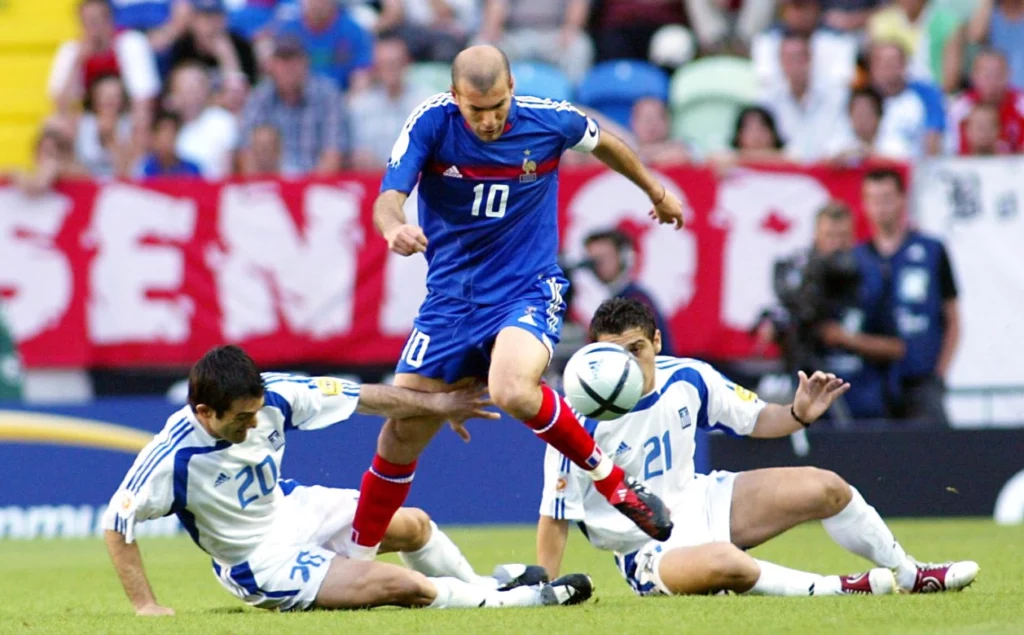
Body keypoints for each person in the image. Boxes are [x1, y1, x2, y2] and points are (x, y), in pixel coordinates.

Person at [347, 44, 686, 562]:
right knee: (399, 437)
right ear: (455, 96)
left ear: (511, 89)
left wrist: (654, 189)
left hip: (525, 288)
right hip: (451, 302)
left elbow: (605, 144)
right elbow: (389, 195)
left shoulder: (548, 120)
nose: (488, 120)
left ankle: (613, 484)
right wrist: (394, 228)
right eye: (475, 110)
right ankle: (357, 561)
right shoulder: (431, 123)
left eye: (498, 106)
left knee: (510, 388)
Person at [103, 345, 593, 615]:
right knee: (403, 585)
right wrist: (146, 606)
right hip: (259, 561)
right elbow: (117, 523)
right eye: (239, 419)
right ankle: (521, 602)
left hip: (292, 510)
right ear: (204, 411)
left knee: (415, 525)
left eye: (255, 413)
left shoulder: (276, 396)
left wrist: (438, 405)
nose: (253, 425)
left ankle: (484, 587)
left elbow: (367, 398)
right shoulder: (173, 456)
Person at [538, 298, 979, 597]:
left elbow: (755, 420)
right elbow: (555, 515)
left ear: (656, 342)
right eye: (614, 354)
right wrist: (548, 591)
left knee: (826, 487)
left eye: (637, 348)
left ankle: (911, 573)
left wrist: (797, 414)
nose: (628, 364)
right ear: (593, 355)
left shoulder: (689, 376)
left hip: (702, 499)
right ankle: (841, 588)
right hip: (645, 548)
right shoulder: (576, 420)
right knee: (725, 563)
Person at [858, 168, 960, 426]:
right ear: (864, 204)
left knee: (933, 454)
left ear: (903, 199)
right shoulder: (856, 259)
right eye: (874, 199)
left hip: (921, 379)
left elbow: (952, 319)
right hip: (869, 383)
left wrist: (939, 374)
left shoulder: (931, 250)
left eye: (887, 198)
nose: (881, 207)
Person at [239, 34, 346, 176]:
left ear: (306, 62)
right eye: (282, 60)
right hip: (272, 184)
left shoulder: (327, 95)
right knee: (262, 137)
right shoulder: (260, 96)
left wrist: (306, 191)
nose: (288, 67)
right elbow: (246, 152)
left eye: (294, 60)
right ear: (271, 64)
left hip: (315, 183)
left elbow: (333, 153)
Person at [582, 229, 675, 356]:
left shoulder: (637, 300)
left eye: (604, 257)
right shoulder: (612, 298)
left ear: (623, 257)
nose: (598, 265)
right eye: (593, 260)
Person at [136, 111, 203, 178]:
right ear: (154, 138)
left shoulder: (192, 170)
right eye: (163, 135)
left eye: (171, 134)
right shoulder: (144, 169)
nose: (167, 140)